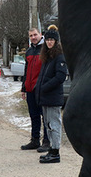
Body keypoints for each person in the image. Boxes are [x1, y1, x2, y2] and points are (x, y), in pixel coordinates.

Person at [35, 25, 68, 164]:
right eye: (47, 39)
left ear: (56, 41)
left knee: (54, 124)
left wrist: (45, 87)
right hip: (45, 97)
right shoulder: (47, 56)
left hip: (53, 96)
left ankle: (55, 151)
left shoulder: (59, 56)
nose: (49, 42)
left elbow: (60, 77)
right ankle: (51, 149)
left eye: (52, 40)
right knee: (48, 124)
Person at [19, 27, 48, 150]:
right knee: (33, 115)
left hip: (41, 88)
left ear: (40, 34)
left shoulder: (46, 50)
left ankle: (47, 141)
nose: (33, 37)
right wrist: (24, 87)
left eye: (35, 35)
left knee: (45, 116)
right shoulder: (29, 51)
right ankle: (35, 139)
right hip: (30, 88)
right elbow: (26, 70)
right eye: (31, 35)